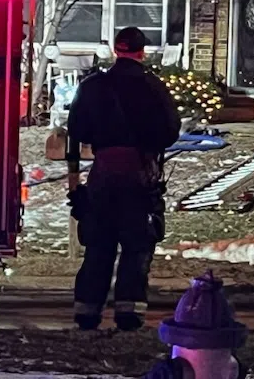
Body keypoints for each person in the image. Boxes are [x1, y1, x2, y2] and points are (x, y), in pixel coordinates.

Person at [67, 26, 181, 331]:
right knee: (137, 246)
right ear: (142, 52)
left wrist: (75, 182)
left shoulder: (93, 86)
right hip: (139, 178)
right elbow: (171, 130)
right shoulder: (153, 86)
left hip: (102, 176)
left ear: (116, 50)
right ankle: (128, 314)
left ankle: (87, 312)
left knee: (99, 245)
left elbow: (76, 131)